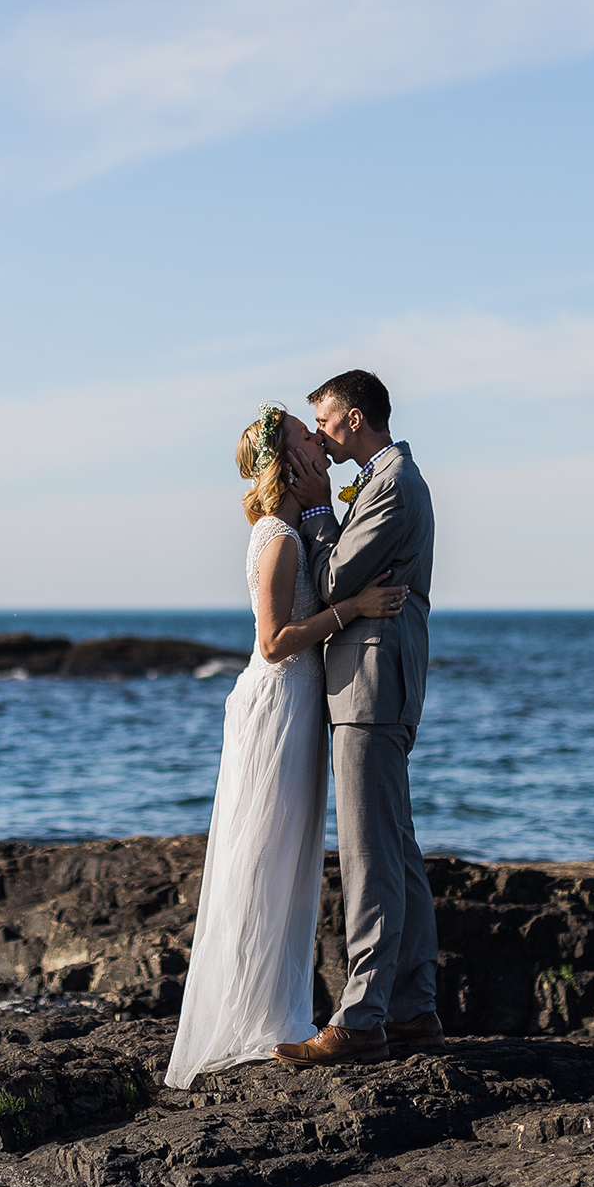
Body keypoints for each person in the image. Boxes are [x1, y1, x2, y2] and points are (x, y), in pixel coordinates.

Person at [163, 403, 405, 1090]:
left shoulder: (296, 530)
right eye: (307, 435)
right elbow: (272, 643)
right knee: (264, 857)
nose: (321, 443)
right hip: (276, 707)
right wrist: (353, 611)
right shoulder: (280, 540)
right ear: (287, 461)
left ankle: (270, 1010)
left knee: (284, 860)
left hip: (298, 709)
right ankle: (250, 1018)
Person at [274, 369, 441, 1066]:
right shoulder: (386, 478)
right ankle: (412, 1008)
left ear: (353, 417)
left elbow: (337, 579)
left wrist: (316, 514)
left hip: (373, 684)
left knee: (372, 857)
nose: (318, 433)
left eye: (324, 420)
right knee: (396, 850)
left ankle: (362, 1017)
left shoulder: (395, 481)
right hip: (379, 681)